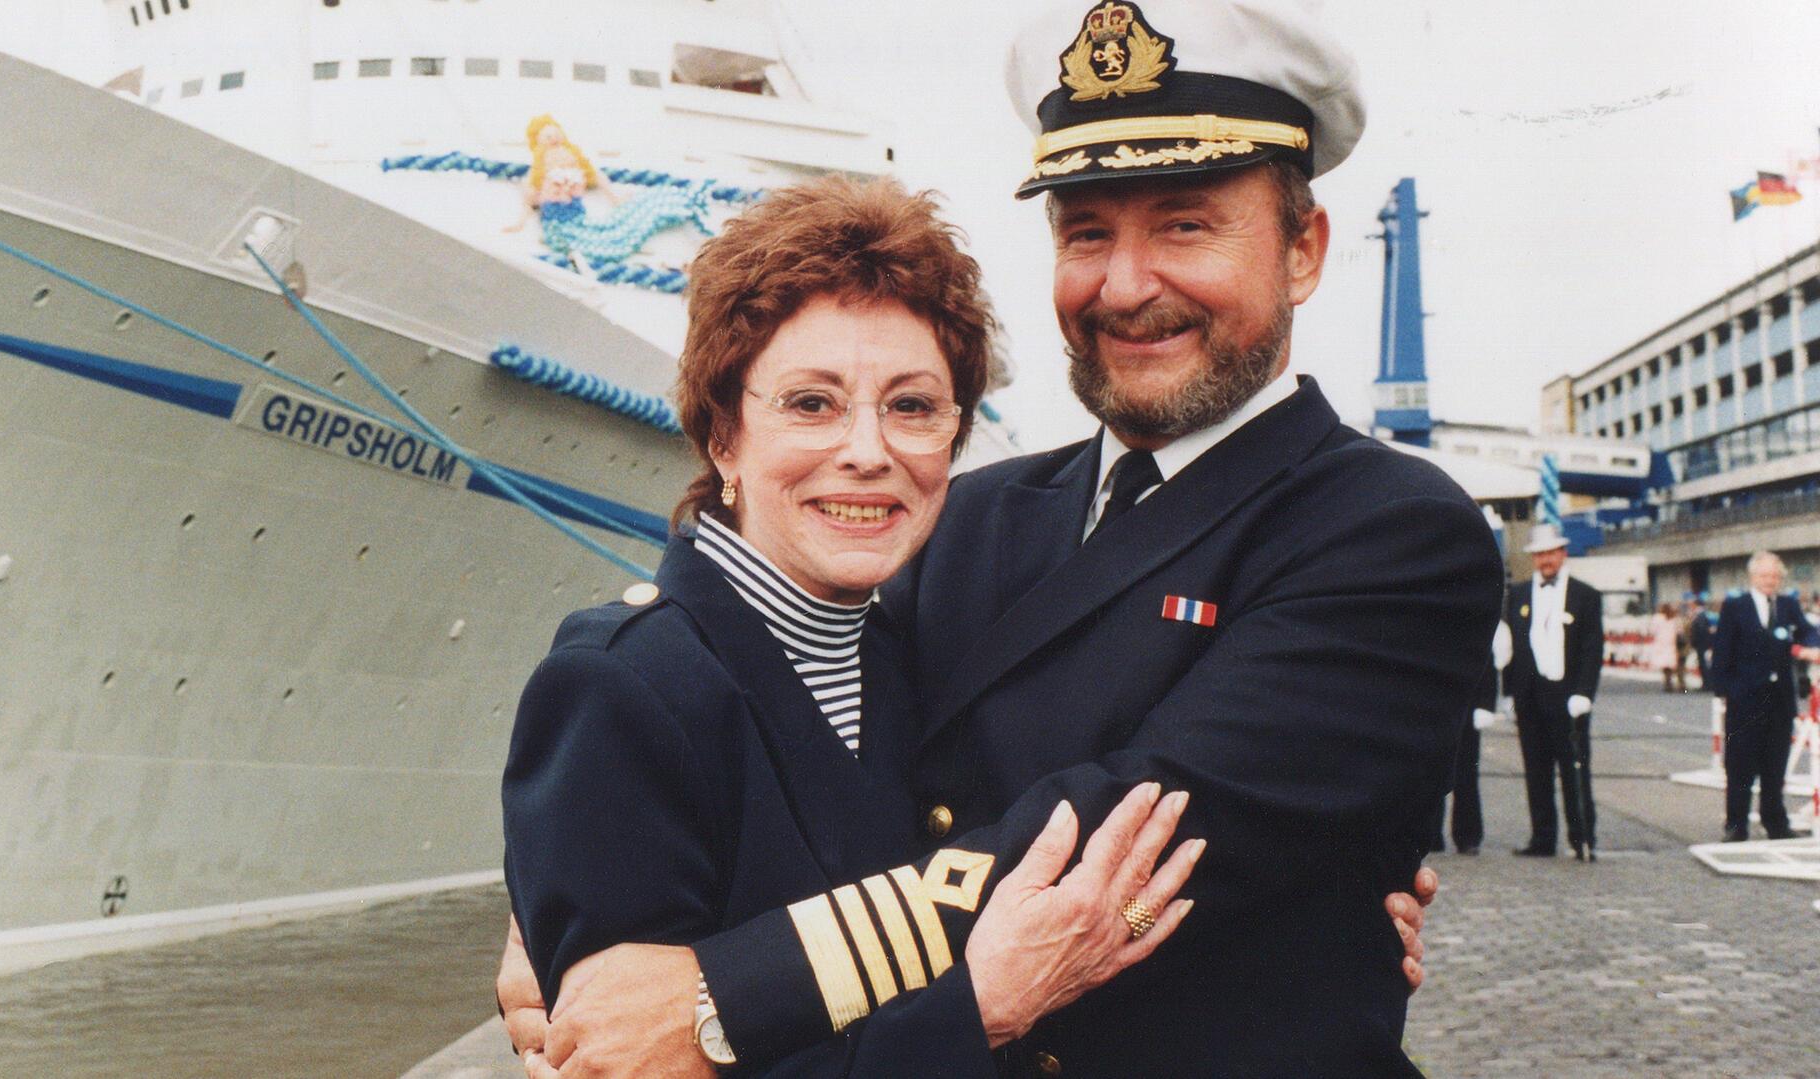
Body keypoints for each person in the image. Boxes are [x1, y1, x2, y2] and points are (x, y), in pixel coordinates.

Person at [505, 1, 1492, 1075]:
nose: (1124, 285)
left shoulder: (1394, 533)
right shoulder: (972, 518)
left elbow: (1134, 830)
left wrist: (713, 990)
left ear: (1303, 249)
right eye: (1086, 233)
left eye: (1184, 224)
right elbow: (818, 759)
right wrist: (572, 893)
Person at [504, 177, 1213, 1077]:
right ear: (723, 433)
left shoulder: (912, 664)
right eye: (812, 403)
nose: (870, 451)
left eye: (913, 407)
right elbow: (622, 1061)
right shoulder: (623, 689)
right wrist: (978, 1012)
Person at [1501, 523, 1605, 861]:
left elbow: (1592, 648)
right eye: (1540, 554)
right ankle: (1542, 838)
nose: (1546, 560)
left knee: (1575, 770)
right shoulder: (1516, 595)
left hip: (1569, 697)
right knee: (1536, 771)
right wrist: (1507, 695)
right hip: (1530, 696)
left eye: (1551, 552)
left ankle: (1582, 837)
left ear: (1562, 553)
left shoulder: (1585, 595)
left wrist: (1585, 693)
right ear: (1533, 558)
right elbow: (1508, 648)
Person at [1706, 550, 1820, 841]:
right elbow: (1721, 652)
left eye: (1774, 576)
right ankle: (1736, 825)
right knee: (1740, 765)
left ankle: (1775, 823)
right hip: (1744, 700)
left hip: (1780, 700)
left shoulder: (1788, 605)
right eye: (1764, 575)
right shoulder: (1735, 607)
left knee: (1775, 765)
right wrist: (1725, 690)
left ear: (1780, 578)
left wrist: (1808, 647)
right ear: (1752, 577)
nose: (1769, 580)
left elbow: (1808, 633)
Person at [1431, 620, 1508, 856]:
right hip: (1434, 704)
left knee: (1466, 774)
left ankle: (1468, 836)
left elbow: (1486, 659)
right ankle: (1431, 835)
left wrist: (1486, 704)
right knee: (1431, 773)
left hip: (1466, 704)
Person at [1649, 602, 1683, 693]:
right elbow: (1680, 631)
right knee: (1673, 664)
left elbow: (1652, 631)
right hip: (1671, 643)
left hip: (1661, 644)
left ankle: (1668, 683)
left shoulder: (1657, 618)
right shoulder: (1675, 618)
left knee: (1665, 666)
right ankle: (1680, 684)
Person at [1689, 595, 1716, 691]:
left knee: (1704, 664)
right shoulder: (1702, 614)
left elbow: (1701, 630)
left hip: (1702, 644)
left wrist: (1695, 641)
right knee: (1703, 664)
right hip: (1703, 644)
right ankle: (1706, 683)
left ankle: (1707, 684)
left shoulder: (1700, 615)